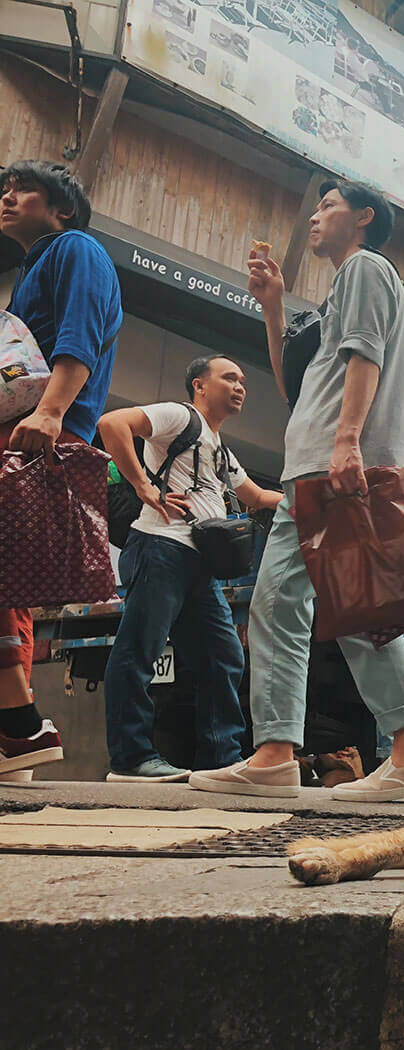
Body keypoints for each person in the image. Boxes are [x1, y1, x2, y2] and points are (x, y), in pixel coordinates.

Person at [191, 179, 404, 801]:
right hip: (312, 467)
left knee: (315, 608)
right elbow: (297, 386)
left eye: (329, 205)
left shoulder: (365, 267)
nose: (315, 215)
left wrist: (347, 442)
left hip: (331, 468)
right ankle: (287, 753)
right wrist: (273, 306)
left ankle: (392, 751)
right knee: (298, 607)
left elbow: (366, 356)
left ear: (363, 217)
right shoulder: (338, 291)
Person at [97, 356, 283, 782]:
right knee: (139, 651)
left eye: (243, 381)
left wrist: (308, 497)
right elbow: (112, 424)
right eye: (229, 378)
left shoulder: (221, 449)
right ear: (200, 385)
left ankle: (222, 759)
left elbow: (254, 495)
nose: (240, 387)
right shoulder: (180, 416)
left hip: (199, 565)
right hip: (160, 547)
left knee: (224, 654)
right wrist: (145, 486)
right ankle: (130, 759)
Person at [0, 160, 121, 776]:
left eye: (22, 189)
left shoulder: (77, 248)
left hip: (40, 434)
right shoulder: (27, 275)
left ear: (62, 206)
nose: (7, 197)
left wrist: (49, 417)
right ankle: (14, 731)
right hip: (20, 431)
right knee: (9, 587)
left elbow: (81, 337)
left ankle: (19, 725)